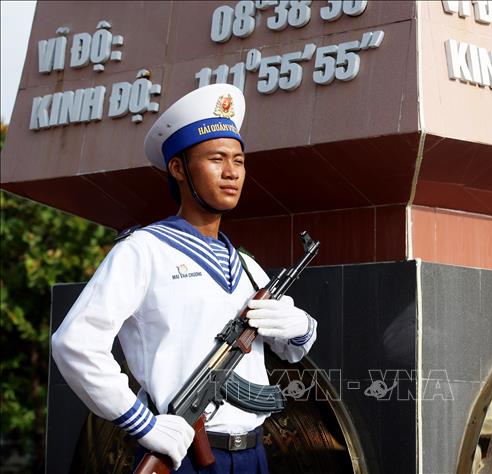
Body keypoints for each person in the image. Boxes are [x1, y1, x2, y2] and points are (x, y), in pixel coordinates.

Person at [51, 83, 317, 473]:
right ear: (178, 168)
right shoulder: (144, 250)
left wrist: (300, 328)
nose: (231, 173)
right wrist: (141, 424)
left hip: (254, 456)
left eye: (239, 161)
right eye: (216, 159)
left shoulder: (245, 266)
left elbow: (292, 351)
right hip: (183, 455)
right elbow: (75, 343)